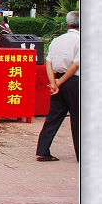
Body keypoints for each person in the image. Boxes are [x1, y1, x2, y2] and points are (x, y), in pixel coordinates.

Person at [35, 11, 80, 162]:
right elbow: (76, 65)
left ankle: (43, 150)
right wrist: (59, 82)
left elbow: (49, 62)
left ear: (67, 24)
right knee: (78, 118)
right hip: (75, 81)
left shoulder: (57, 40)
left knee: (53, 117)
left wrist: (54, 83)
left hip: (58, 79)